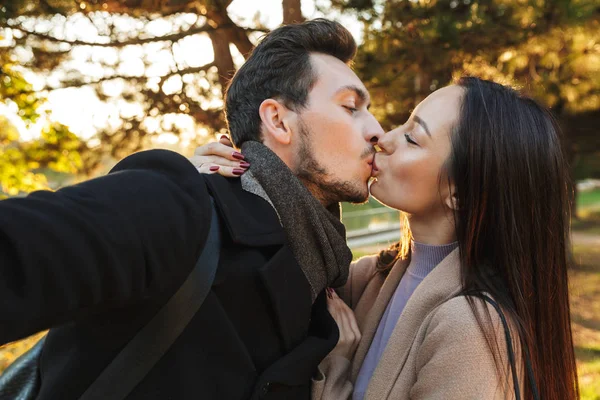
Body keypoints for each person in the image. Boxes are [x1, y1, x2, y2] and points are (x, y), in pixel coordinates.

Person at [0, 19, 383, 399]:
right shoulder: (179, 207)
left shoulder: (326, 284)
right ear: (279, 120)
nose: (377, 130)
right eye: (351, 107)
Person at [195, 77, 579, 400]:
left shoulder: (471, 329)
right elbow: (271, 270)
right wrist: (228, 179)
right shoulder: (370, 279)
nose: (384, 136)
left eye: (412, 137)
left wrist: (338, 371)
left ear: (459, 192)